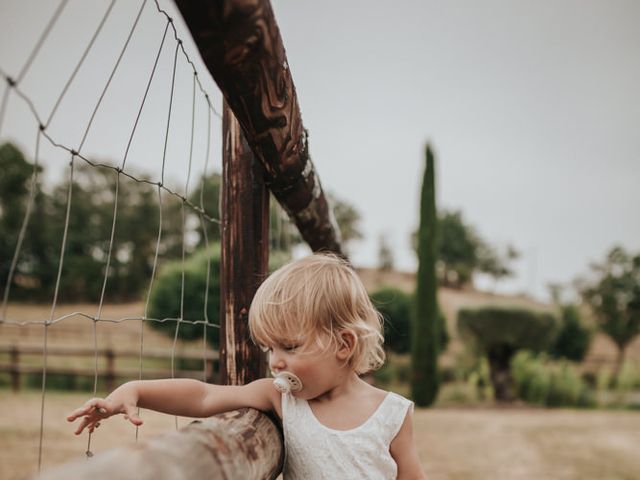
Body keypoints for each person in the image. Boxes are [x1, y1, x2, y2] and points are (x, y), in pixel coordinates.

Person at [67, 253, 426, 479]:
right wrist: (137, 390)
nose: (275, 361)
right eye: (270, 348)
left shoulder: (391, 414)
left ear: (344, 344)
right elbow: (205, 396)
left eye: (289, 346)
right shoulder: (282, 400)